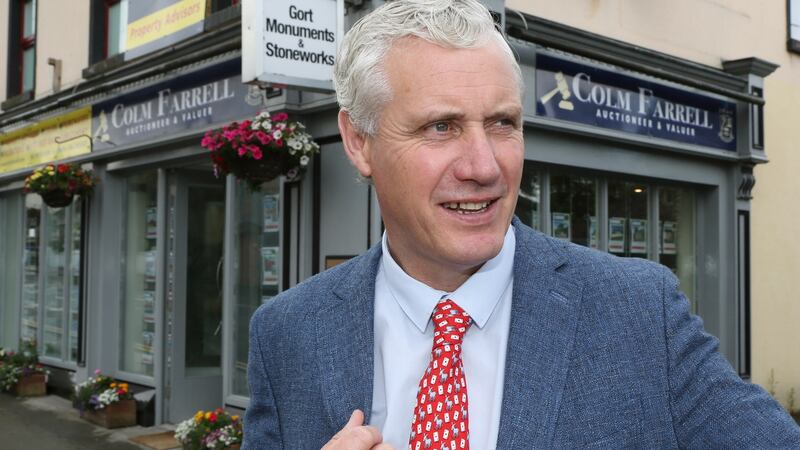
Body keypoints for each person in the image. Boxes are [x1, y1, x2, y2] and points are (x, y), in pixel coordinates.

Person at [242, 1, 800, 449]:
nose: (485, 167)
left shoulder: (638, 311)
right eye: (441, 127)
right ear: (359, 141)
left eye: (503, 123)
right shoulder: (287, 333)